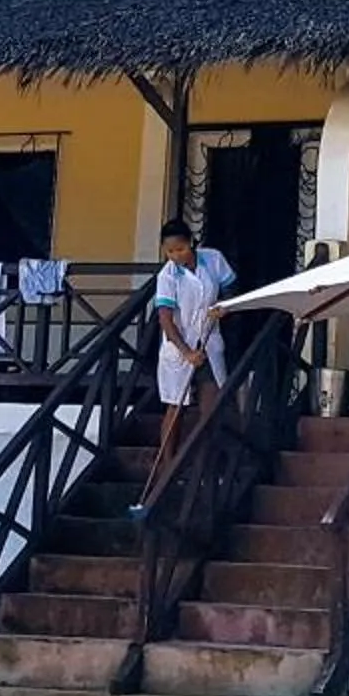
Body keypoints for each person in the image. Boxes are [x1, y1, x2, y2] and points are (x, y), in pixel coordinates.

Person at [134, 219, 229, 515]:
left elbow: (229, 288)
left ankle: (207, 464)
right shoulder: (167, 277)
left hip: (209, 342)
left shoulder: (213, 260)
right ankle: (168, 466)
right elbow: (165, 319)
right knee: (175, 408)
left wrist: (224, 306)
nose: (176, 255)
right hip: (179, 349)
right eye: (170, 251)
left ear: (192, 243)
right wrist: (186, 352)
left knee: (212, 407)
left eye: (181, 248)